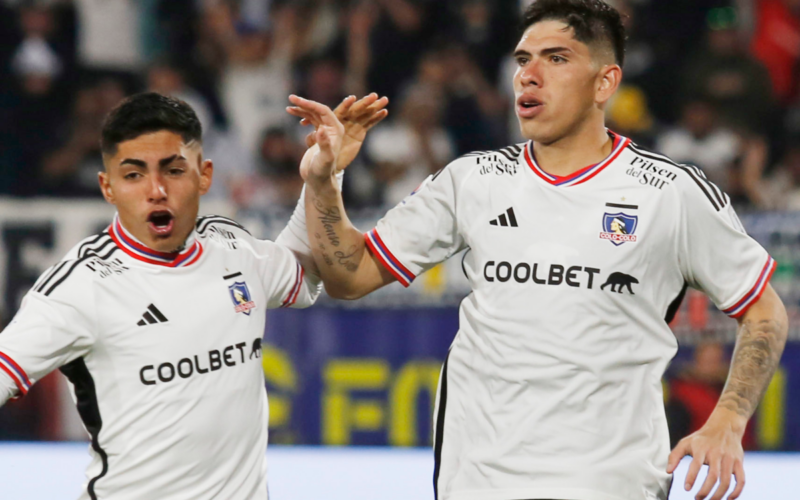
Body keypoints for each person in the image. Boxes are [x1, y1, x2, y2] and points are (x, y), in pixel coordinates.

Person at [288, 1, 789, 500]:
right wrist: (323, 181)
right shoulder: (473, 180)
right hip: (479, 483)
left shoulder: (669, 192)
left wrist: (728, 419)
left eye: (556, 58)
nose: (528, 75)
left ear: (604, 83)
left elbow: (765, 310)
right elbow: (348, 275)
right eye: (523, 59)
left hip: (609, 485)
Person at [0, 92, 387, 499]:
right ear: (107, 187)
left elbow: (306, 272)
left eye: (173, 170)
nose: (156, 190)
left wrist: (323, 177)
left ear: (204, 175)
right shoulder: (81, 287)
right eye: (133, 175)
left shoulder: (231, 247)